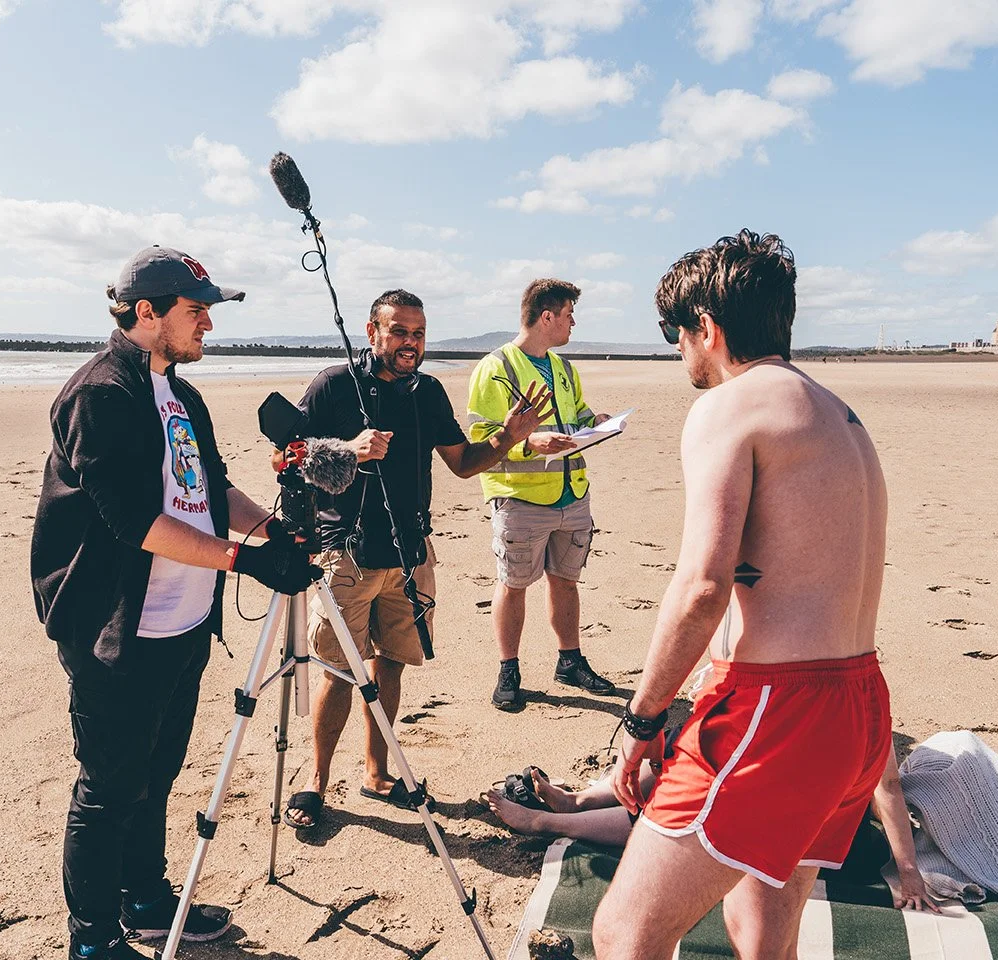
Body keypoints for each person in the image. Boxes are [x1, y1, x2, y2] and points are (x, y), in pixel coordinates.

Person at [592, 230, 893, 960]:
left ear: (708, 327)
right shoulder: (837, 414)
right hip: (857, 703)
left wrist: (642, 720)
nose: (679, 354)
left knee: (626, 932)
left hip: (777, 708)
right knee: (761, 932)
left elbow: (701, 587)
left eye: (675, 335)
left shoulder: (731, 408)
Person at [31, 246, 319, 960]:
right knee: (107, 789)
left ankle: (148, 900)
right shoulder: (102, 393)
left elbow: (212, 489)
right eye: (198, 312)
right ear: (145, 312)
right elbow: (136, 524)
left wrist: (272, 531)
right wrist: (246, 562)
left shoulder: (181, 395)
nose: (209, 327)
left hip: (185, 620)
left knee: (156, 776)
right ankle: (93, 941)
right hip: (116, 629)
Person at [282, 289, 552, 829]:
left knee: (392, 662)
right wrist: (345, 451)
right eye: (400, 331)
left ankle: (377, 773)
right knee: (338, 670)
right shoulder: (335, 385)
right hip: (345, 555)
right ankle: (316, 782)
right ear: (372, 332)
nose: (411, 343)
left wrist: (509, 437)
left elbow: (464, 463)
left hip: (410, 556)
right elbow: (284, 455)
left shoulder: (427, 392)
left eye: (419, 333)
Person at [488, 750, 940, 913]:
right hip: (766, 795)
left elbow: (888, 787)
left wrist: (907, 869)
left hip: (820, 828)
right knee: (687, 752)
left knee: (699, 813)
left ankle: (548, 821)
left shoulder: (856, 691)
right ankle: (578, 802)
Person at [466, 279, 616, 711]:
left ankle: (569, 661)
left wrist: (599, 422)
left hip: (572, 494)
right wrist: (529, 444)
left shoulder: (565, 368)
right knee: (513, 585)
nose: (573, 322)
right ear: (546, 317)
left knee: (566, 581)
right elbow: (481, 437)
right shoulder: (496, 369)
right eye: (569, 314)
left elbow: (578, 415)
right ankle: (508, 669)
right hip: (520, 497)